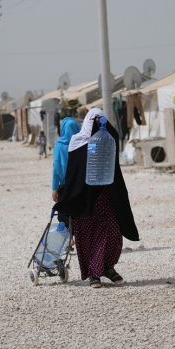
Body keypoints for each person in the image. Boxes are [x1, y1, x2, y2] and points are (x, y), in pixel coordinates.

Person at [53, 108, 139, 288]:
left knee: (112, 232)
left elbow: (114, 138)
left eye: (102, 121)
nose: (99, 125)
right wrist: (63, 192)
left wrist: (103, 123)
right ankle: (95, 274)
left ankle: (108, 267)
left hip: (106, 198)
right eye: (95, 121)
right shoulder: (77, 142)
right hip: (84, 201)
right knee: (90, 238)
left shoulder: (107, 140)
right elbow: (73, 173)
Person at [51, 118, 81, 203]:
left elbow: (56, 169)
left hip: (65, 186)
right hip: (82, 185)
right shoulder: (84, 143)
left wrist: (54, 187)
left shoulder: (59, 146)